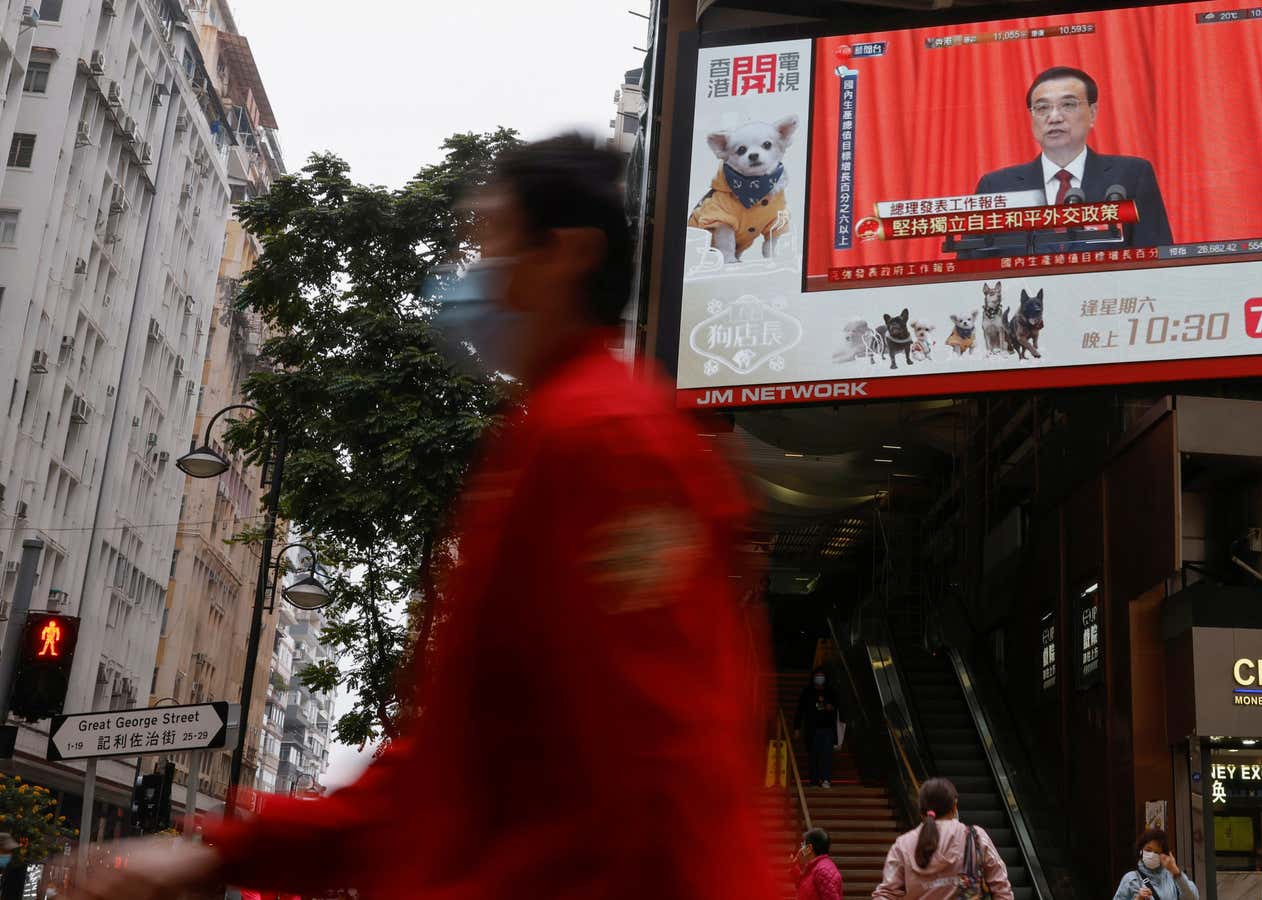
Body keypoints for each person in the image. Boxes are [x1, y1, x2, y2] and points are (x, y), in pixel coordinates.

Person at [60, 134, 780, 900]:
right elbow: (464, 754)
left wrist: (228, 852)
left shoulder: (607, 440)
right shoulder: (552, 430)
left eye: (492, 236)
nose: (472, 270)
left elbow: (654, 761)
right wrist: (225, 851)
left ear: (566, 253)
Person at [974, 66, 1172, 248]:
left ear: (1093, 113)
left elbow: (1156, 255)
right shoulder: (996, 187)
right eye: (1042, 108)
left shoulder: (1131, 176)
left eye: (1068, 104)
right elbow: (971, 266)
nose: (1054, 117)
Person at [872, 777, 1013, 900]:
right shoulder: (975, 836)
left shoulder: (902, 845)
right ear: (954, 806)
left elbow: (886, 894)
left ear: (922, 812)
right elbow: (1001, 887)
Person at [1111, 829, 1198, 900]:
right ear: (1141, 851)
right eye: (1148, 850)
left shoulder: (1173, 877)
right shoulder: (1131, 879)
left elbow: (1192, 898)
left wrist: (1175, 871)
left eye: (1157, 852)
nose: (1152, 854)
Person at [795, 666, 839, 788]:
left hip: (827, 728)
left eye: (822, 675)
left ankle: (826, 779)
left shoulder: (830, 691)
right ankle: (814, 780)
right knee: (813, 755)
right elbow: (800, 710)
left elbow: (837, 706)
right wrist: (797, 727)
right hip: (812, 729)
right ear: (813, 677)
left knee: (827, 755)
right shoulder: (807, 692)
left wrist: (831, 707)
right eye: (817, 675)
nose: (819, 678)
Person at [793, 827, 844, 900]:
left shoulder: (823, 870)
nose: (801, 848)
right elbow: (804, 888)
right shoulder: (814, 867)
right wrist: (796, 865)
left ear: (809, 848)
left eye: (803, 845)